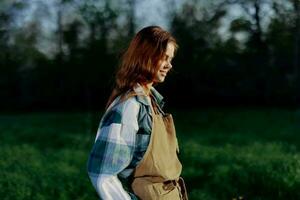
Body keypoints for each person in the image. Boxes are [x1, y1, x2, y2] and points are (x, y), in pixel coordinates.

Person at [86, 25, 188, 200]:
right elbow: (102, 174)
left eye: (170, 59)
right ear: (145, 57)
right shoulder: (129, 107)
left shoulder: (153, 102)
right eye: (164, 58)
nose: (169, 65)